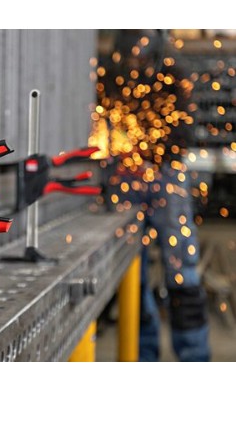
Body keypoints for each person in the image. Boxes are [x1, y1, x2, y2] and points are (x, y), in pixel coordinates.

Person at [91, 29, 210, 361]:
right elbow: (102, 125)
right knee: (132, 270)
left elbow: (183, 133)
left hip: (166, 178)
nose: (135, 63)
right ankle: (143, 356)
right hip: (125, 181)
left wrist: (146, 157)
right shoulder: (109, 73)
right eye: (130, 58)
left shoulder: (174, 74)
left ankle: (195, 356)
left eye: (141, 58)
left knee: (182, 269)